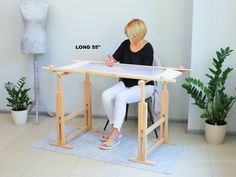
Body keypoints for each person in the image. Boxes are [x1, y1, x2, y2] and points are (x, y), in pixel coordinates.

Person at [100, 19, 154, 150]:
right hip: (126, 83)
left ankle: (114, 133)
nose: (127, 36)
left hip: (144, 86)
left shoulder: (148, 48)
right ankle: (116, 129)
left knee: (121, 97)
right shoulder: (125, 44)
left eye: (129, 34)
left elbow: (145, 74)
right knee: (105, 95)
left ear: (137, 34)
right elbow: (113, 59)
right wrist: (110, 62)